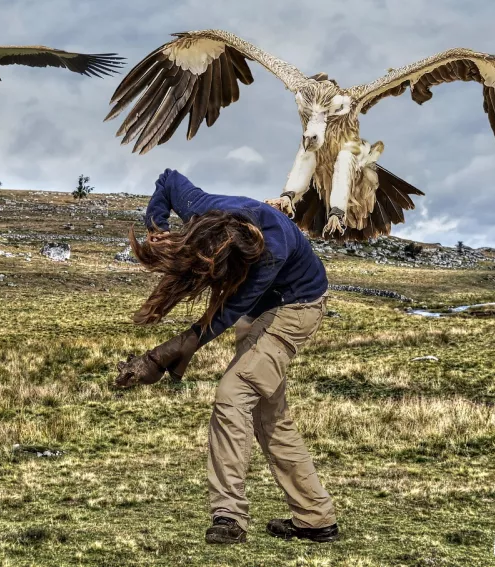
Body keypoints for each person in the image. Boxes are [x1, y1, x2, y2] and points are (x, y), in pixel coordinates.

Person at [114, 168, 338, 545]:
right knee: (271, 419)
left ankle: (228, 516)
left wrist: (160, 356)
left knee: (233, 395)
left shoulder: (273, 248)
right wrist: (156, 227)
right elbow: (169, 179)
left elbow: (227, 312)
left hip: (294, 308)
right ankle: (315, 519)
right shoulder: (204, 211)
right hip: (259, 313)